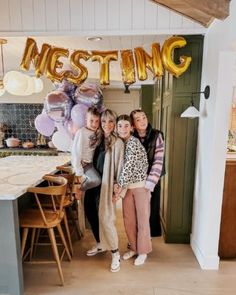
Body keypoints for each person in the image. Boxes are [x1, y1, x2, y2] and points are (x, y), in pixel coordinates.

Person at [84, 109, 124, 273]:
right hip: (93, 183)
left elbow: (120, 167)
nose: (106, 125)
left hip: (106, 186)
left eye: (110, 122)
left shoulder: (117, 142)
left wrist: (118, 188)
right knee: (90, 213)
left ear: (114, 123)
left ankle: (115, 253)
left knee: (106, 219)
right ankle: (101, 243)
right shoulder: (98, 138)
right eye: (103, 122)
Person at [114, 114, 151, 266]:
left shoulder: (133, 143)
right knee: (128, 220)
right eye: (120, 126)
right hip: (128, 189)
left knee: (142, 221)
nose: (123, 129)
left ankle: (143, 251)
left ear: (132, 128)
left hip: (140, 188)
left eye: (126, 126)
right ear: (117, 128)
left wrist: (118, 189)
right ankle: (134, 248)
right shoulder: (120, 143)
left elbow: (128, 168)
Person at [130, 109, 165, 237]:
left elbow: (158, 161)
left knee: (152, 208)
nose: (143, 121)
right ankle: (137, 237)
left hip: (153, 178)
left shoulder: (157, 135)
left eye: (144, 117)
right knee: (137, 210)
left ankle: (148, 237)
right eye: (138, 119)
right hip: (137, 180)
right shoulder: (131, 137)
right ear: (133, 124)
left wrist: (150, 183)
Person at [71, 107, 102, 195]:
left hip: (93, 163)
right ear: (86, 119)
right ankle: (80, 189)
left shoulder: (98, 132)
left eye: (97, 121)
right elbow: (76, 152)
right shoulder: (81, 132)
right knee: (96, 180)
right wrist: (79, 171)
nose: (94, 124)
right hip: (84, 164)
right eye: (91, 120)